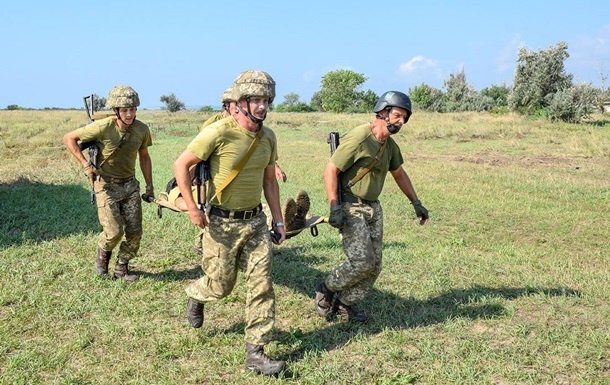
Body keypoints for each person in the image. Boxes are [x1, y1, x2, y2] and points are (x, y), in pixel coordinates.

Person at [172, 70, 286, 375]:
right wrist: (195, 209)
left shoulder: (268, 137)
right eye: (256, 100)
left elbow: (269, 180)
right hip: (221, 223)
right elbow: (181, 164)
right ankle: (197, 294)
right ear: (241, 102)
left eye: (266, 100)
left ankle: (256, 352)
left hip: (256, 223)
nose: (262, 106)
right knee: (220, 287)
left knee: (262, 284)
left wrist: (278, 220)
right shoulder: (219, 132)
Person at [315, 91, 429, 322]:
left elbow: (399, 174)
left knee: (374, 265)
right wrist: (334, 207)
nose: (401, 121)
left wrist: (416, 203)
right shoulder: (359, 137)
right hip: (350, 206)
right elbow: (331, 169)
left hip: (373, 208)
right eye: (397, 115)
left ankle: (345, 303)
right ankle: (326, 287)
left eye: (404, 118)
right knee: (362, 261)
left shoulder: (390, 146)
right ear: (382, 112)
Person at [63, 85, 154, 282]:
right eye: (125, 110)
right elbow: (69, 138)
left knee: (135, 232)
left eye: (132, 109)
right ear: (116, 111)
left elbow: (144, 157)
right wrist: (86, 165)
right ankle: (102, 259)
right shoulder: (103, 126)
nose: (129, 114)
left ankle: (122, 268)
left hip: (130, 185)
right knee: (113, 231)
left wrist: (149, 186)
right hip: (106, 185)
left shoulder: (141, 130)